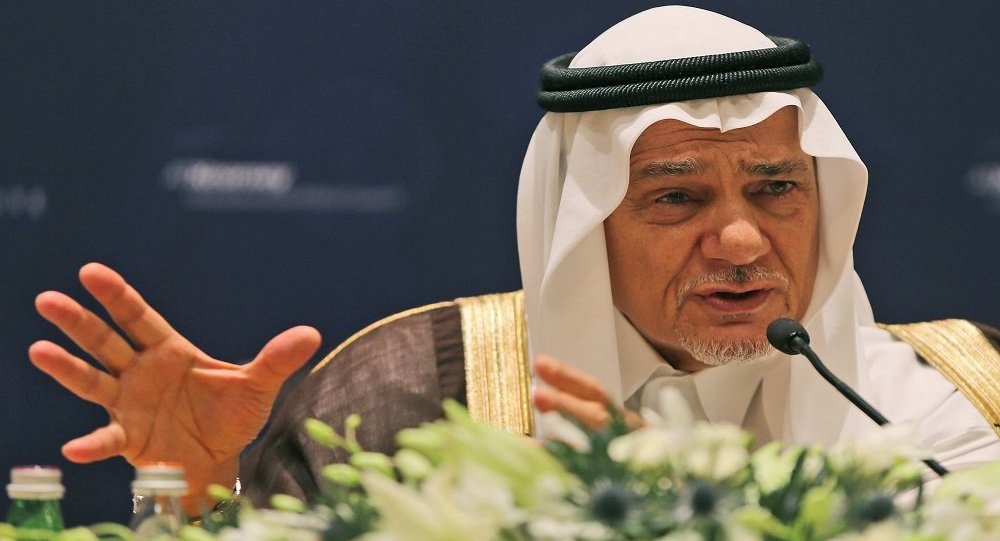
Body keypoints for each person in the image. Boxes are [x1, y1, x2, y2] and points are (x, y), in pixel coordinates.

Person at [29, 6, 1000, 515]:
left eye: (776, 187)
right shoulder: (404, 399)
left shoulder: (961, 401)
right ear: (581, 223)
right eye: (677, 198)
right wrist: (208, 495)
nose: (743, 243)